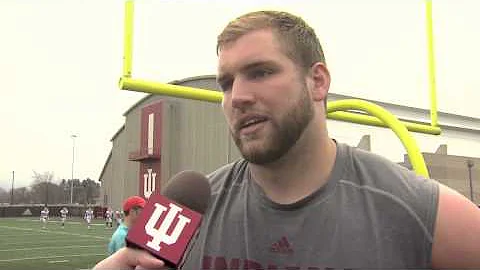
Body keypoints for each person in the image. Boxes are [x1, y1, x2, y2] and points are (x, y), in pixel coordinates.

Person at [93, 10, 480, 270]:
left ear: (317, 81)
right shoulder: (188, 214)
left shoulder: (412, 208)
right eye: (227, 83)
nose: (237, 97)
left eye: (260, 72)